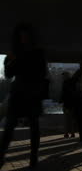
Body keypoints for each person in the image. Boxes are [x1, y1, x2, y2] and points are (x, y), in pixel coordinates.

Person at [0, 23, 47, 169]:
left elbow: (41, 72)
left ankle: (33, 157)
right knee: (12, 126)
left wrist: (16, 60)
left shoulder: (36, 53)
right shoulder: (19, 53)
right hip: (21, 93)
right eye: (22, 35)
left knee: (30, 126)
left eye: (26, 35)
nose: (24, 38)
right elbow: (8, 74)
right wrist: (13, 60)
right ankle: (3, 155)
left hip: (28, 92)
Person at [60, 71, 77, 138]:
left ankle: (66, 133)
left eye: (63, 76)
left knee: (66, 119)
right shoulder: (73, 83)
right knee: (72, 119)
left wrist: (61, 100)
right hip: (72, 103)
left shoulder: (65, 83)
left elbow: (63, 94)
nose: (62, 78)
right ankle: (72, 133)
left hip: (67, 104)